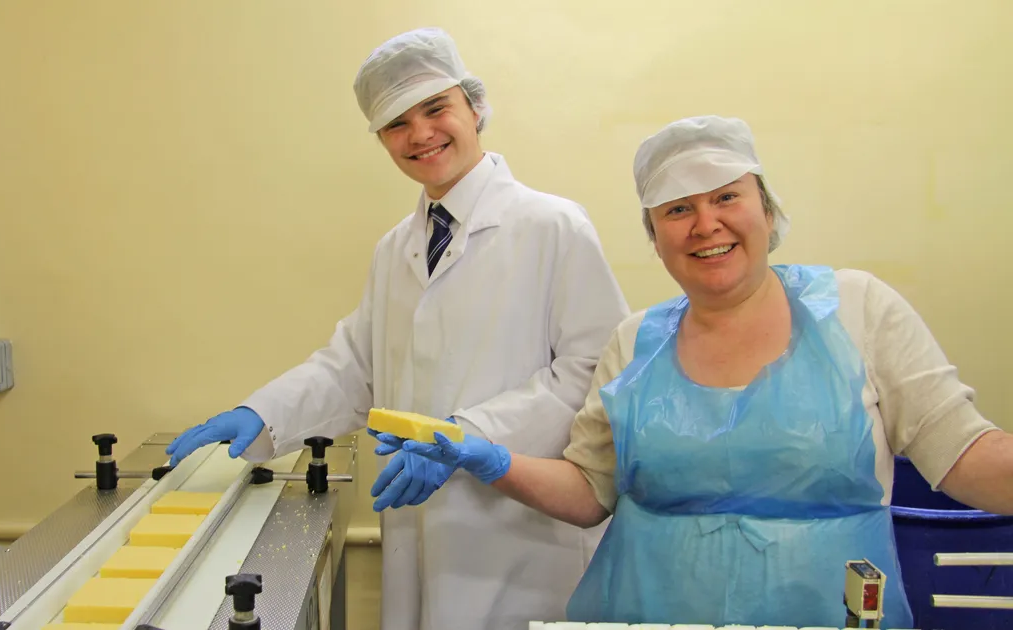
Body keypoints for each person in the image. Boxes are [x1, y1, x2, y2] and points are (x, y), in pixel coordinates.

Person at [373, 114, 1013, 628]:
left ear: (767, 210)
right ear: (654, 235)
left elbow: (968, 455)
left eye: (727, 197)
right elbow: (591, 493)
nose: (707, 224)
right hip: (647, 616)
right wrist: (487, 457)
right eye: (677, 209)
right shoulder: (635, 342)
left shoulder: (857, 310)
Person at [162, 27, 631, 630]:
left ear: (474, 106)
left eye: (436, 109)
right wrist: (262, 415)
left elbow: (593, 374)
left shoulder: (553, 226)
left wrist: (469, 439)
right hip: (417, 527)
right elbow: (354, 368)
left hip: (521, 538)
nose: (421, 135)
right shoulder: (396, 249)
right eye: (396, 124)